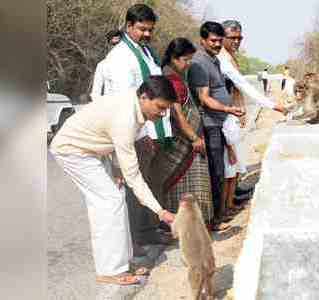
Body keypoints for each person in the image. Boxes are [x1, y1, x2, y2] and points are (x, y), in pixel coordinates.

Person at [50, 76, 177, 286]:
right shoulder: (125, 118)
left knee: (116, 197)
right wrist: (160, 211)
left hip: (93, 150)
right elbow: (134, 176)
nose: (162, 113)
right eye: (160, 107)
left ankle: (123, 262)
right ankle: (110, 271)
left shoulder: (134, 105)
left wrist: (117, 170)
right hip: (72, 150)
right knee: (109, 202)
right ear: (144, 97)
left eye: (166, 109)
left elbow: (115, 142)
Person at [101, 4, 172, 247]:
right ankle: (138, 241)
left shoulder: (146, 52)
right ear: (128, 26)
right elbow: (125, 103)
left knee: (151, 182)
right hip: (133, 131)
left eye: (150, 30)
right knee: (134, 185)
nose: (147, 34)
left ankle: (149, 231)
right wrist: (141, 135)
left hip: (149, 129)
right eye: (142, 29)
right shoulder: (120, 58)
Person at [217, 20, 284, 216]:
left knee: (235, 161)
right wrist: (272, 105)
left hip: (233, 114)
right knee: (229, 164)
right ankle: (225, 207)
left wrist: (241, 109)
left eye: (239, 38)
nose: (237, 41)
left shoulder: (230, 56)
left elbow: (237, 89)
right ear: (222, 38)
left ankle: (231, 200)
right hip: (223, 116)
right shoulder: (222, 58)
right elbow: (241, 85)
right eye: (232, 38)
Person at [187, 21, 244, 230]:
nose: (217, 44)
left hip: (220, 123)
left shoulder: (215, 60)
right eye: (213, 41)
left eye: (220, 41)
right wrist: (229, 110)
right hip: (210, 124)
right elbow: (204, 98)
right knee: (216, 172)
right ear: (203, 40)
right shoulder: (199, 63)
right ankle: (214, 219)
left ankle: (220, 214)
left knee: (224, 169)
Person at [160, 38, 214, 225]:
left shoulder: (176, 75)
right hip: (183, 141)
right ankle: (185, 225)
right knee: (185, 184)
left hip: (191, 137)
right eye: (185, 59)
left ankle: (194, 224)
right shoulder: (170, 79)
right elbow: (177, 115)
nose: (188, 64)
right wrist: (193, 137)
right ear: (174, 58)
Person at [91, 30, 122, 98]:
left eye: (118, 44)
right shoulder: (102, 65)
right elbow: (96, 92)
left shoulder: (132, 61)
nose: (116, 47)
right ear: (109, 44)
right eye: (113, 44)